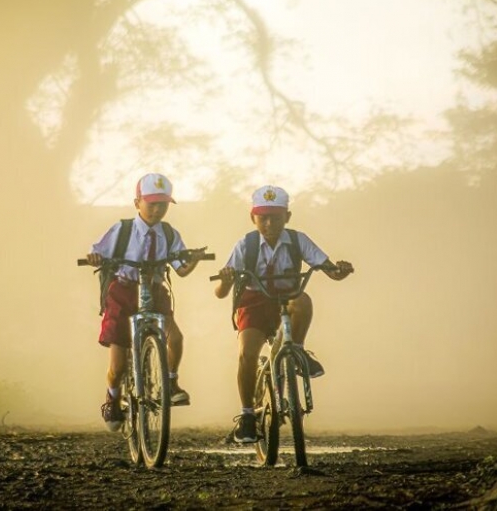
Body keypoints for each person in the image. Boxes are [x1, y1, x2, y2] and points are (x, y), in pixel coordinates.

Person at [214, 185, 354, 443]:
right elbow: (220, 293)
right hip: (253, 304)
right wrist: (225, 280)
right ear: (253, 218)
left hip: (286, 300)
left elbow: (329, 269)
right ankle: (247, 415)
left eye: (276, 217)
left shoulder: (298, 240)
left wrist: (340, 271)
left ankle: (296, 349)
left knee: (303, 300)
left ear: (287, 217)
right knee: (247, 354)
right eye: (263, 217)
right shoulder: (246, 244)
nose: (269, 223)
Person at [85, 173, 204, 432]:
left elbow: (181, 269)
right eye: (151, 203)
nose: (157, 210)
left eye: (163, 204)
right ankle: (113, 397)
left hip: (155, 290)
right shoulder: (123, 229)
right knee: (117, 365)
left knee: (176, 338)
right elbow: (98, 252)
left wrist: (193, 259)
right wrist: (95, 258)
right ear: (137, 202)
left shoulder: (169, 234)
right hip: (123, 291)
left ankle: (171, 382)